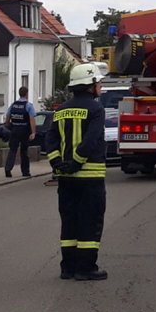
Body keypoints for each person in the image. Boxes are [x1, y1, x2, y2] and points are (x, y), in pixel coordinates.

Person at [45, 62, 109, 281]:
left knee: (69, 221)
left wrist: (57, 164)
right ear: (90, 85)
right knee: (90, 222)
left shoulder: (60, 110)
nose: (100, 86)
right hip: (90, 176)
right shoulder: (96, 109)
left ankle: (68, 268)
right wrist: (77, 162)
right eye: (98, 82)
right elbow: (92, 140)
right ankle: (86, 268)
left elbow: (51, 140)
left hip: (65, 179)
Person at [3, 85, 37, 178]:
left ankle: (8, 169)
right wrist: (33, 132)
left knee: (12, 150)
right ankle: (25, 172)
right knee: (24, 151)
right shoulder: (29, 106)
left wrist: (8, 125)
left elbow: (7, 118)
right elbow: (32, 120)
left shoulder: (13, 105)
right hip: (24, 130)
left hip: (14, 130)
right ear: (26, 94)